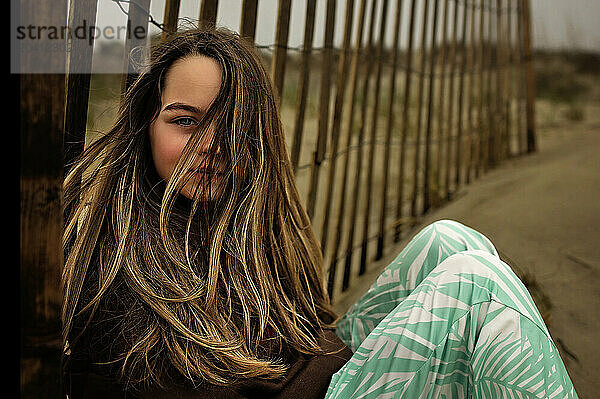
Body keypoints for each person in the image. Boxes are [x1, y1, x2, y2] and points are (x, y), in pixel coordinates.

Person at [62, 26, 577, 398]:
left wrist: (328, 360)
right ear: (146, 126)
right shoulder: (119, 248)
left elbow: (301, 336)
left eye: (232, 127)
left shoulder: (239, 225)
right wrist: (324, 367)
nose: (210, 145)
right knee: (474, 281)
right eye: (185, 121)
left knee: (450, 240)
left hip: (310, 379)